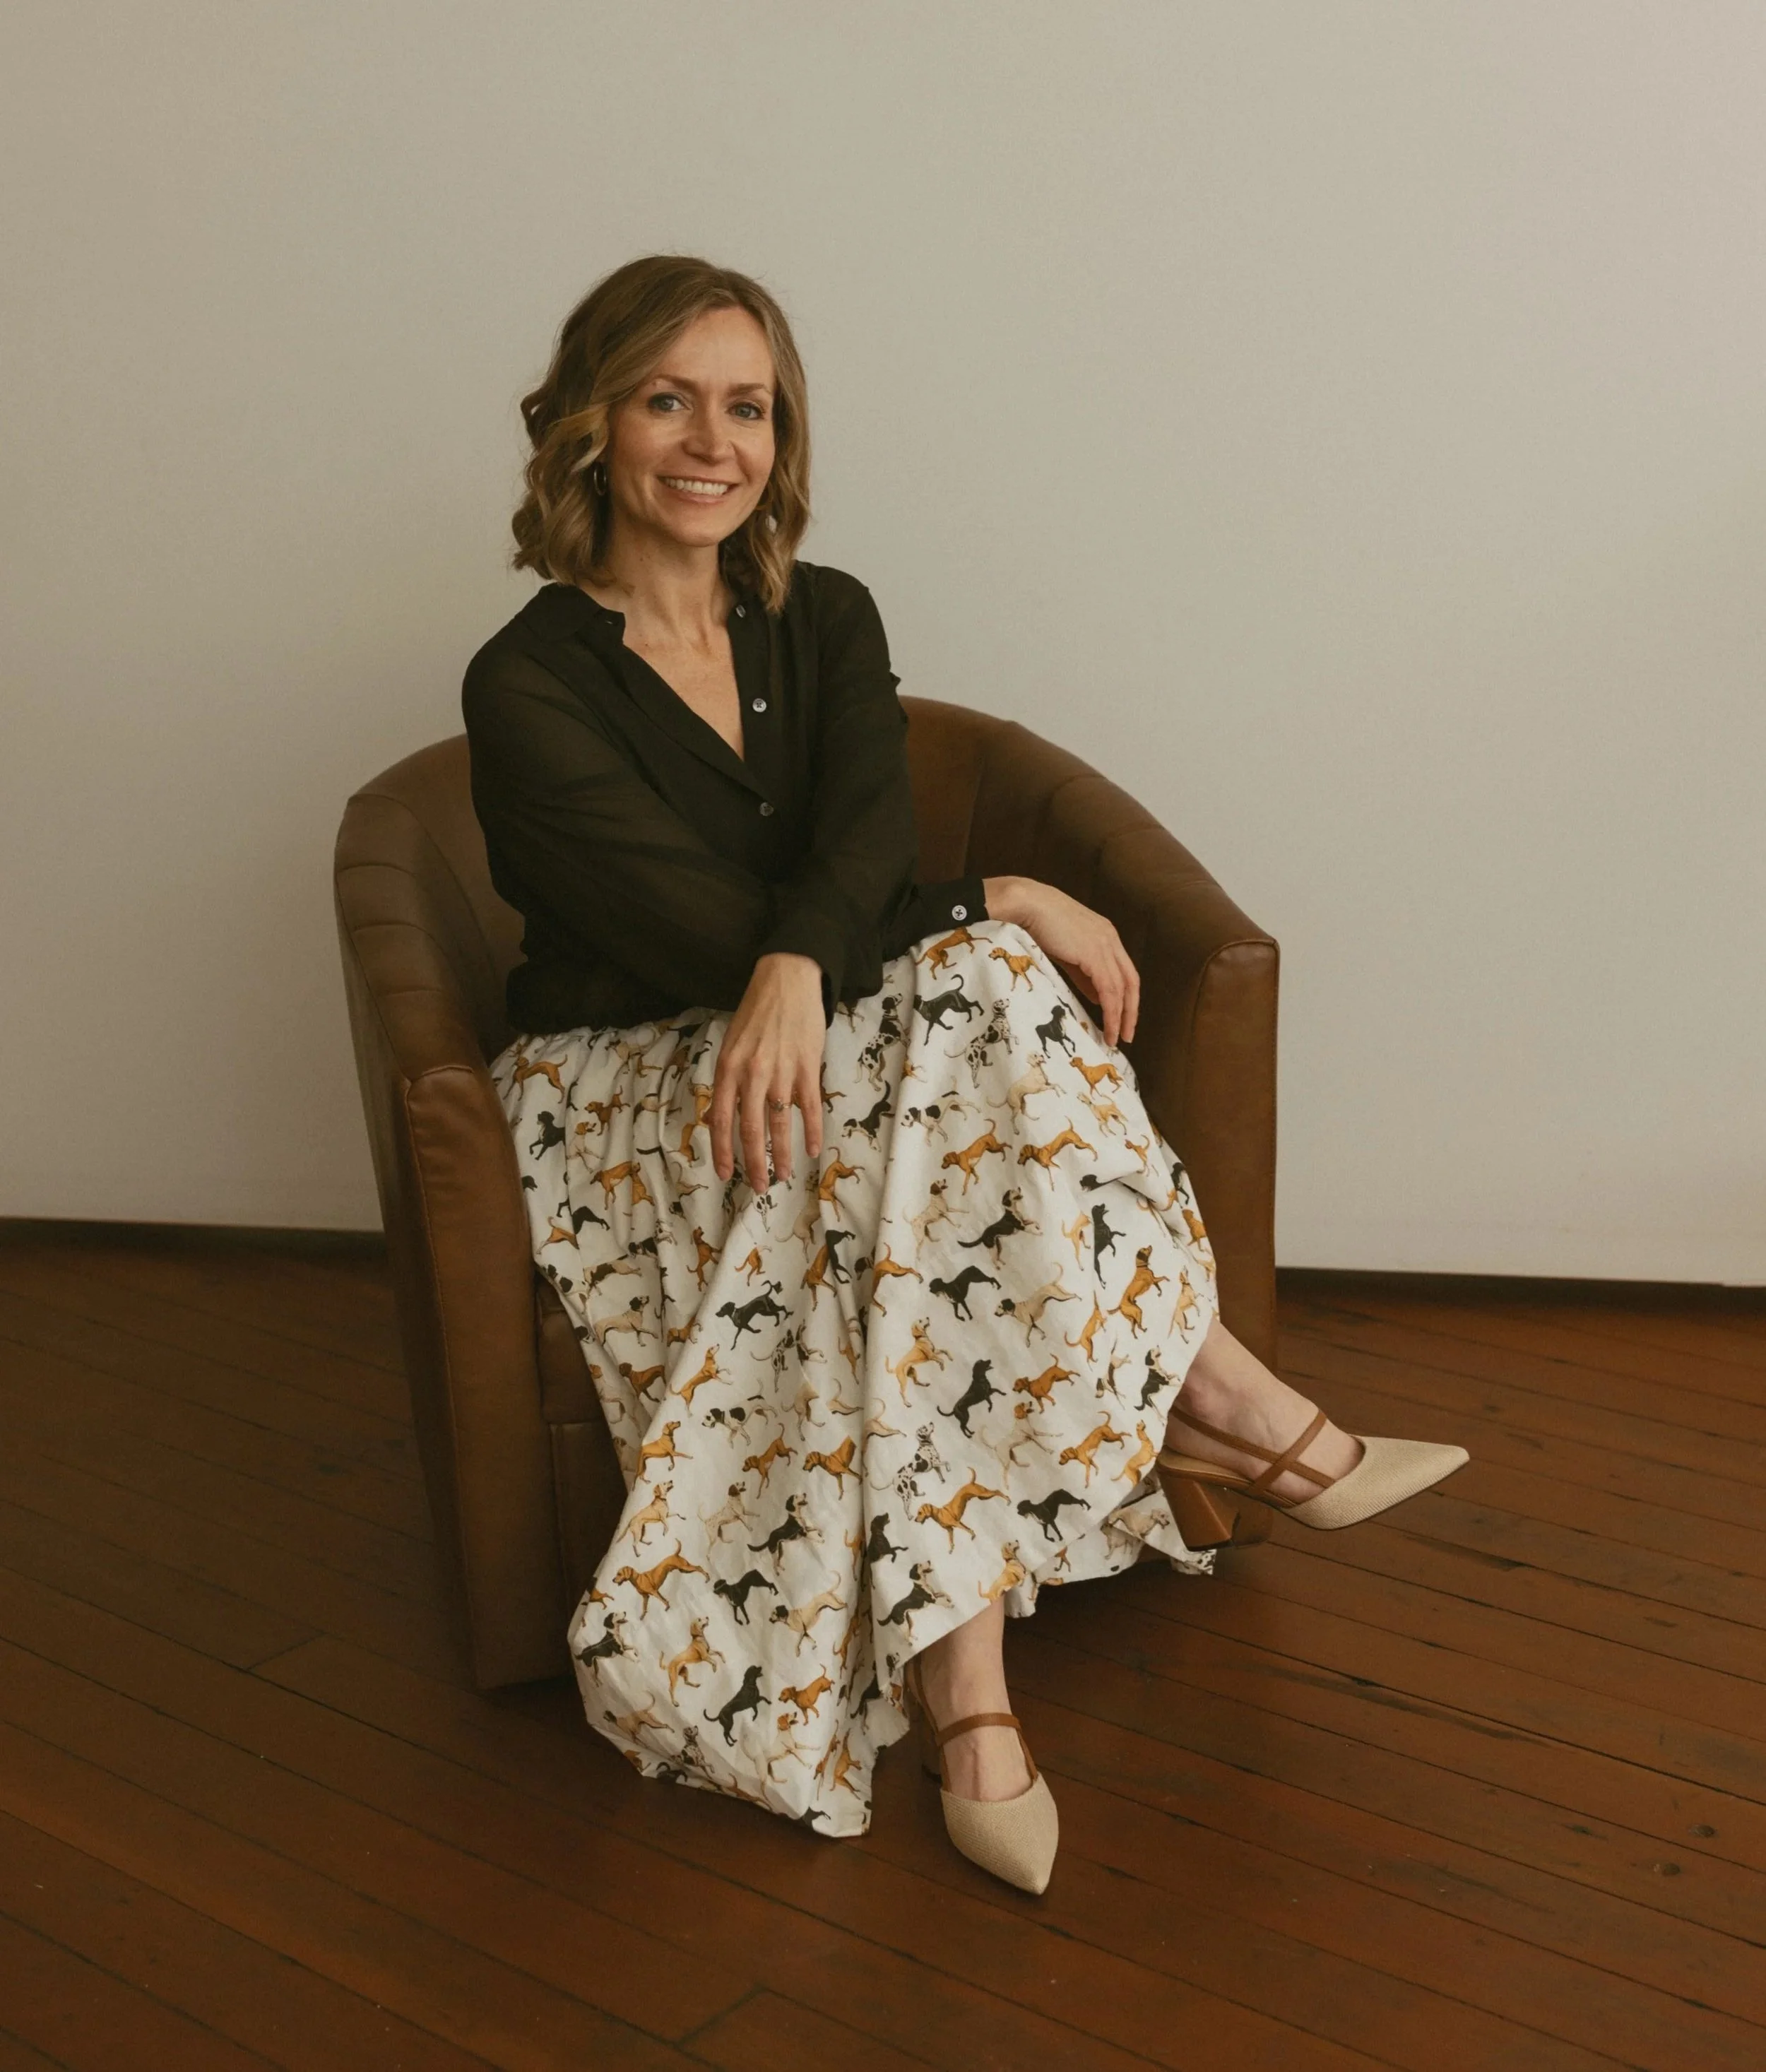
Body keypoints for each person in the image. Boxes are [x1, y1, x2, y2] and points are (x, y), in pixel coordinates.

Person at [462, 254, 1467, 1896]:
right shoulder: (524, 681)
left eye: (747, 404)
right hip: (634, 1082)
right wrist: (977, 898)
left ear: (780, 436)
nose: (710, 440)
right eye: (667, 398)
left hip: (840, 1041)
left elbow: (868, 831)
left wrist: (821, 953)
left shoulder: (824, 610)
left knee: (924, 1071)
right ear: (592, 424)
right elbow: (694, 923)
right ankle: (1219, 1399)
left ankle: (968, 1690)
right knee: (978, 978)